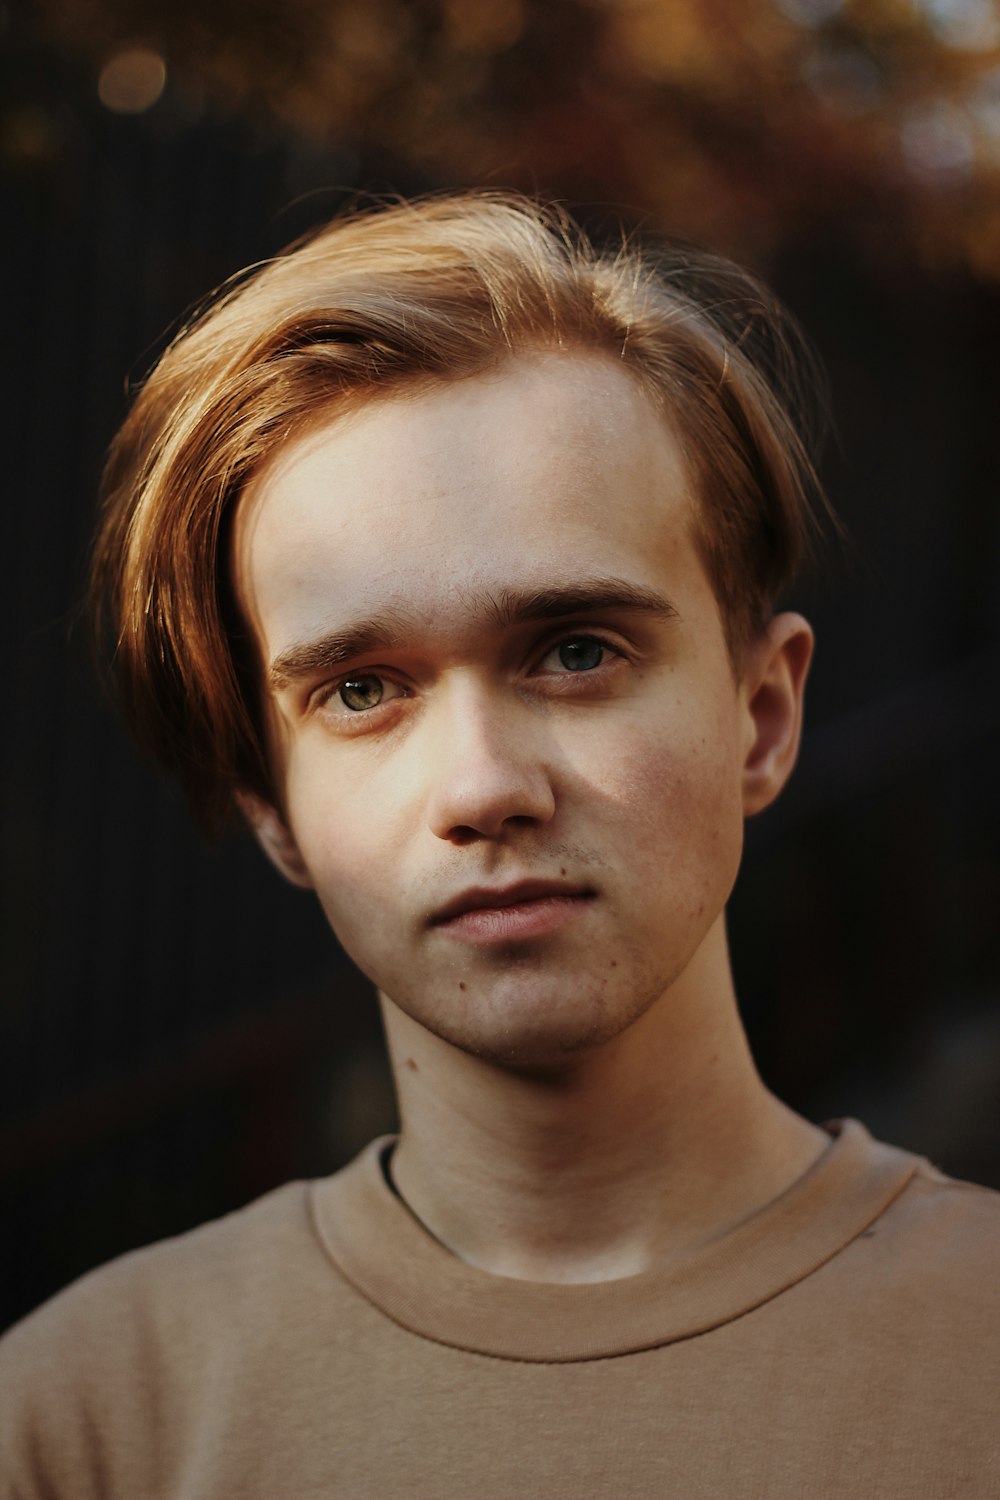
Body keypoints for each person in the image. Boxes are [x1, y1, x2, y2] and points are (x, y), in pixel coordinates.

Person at [1, 192, 996, 1500]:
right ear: (267, 804)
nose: (481, 785)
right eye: (359, 690)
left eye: (577, 651)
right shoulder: (78, 1425)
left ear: (762, 717)